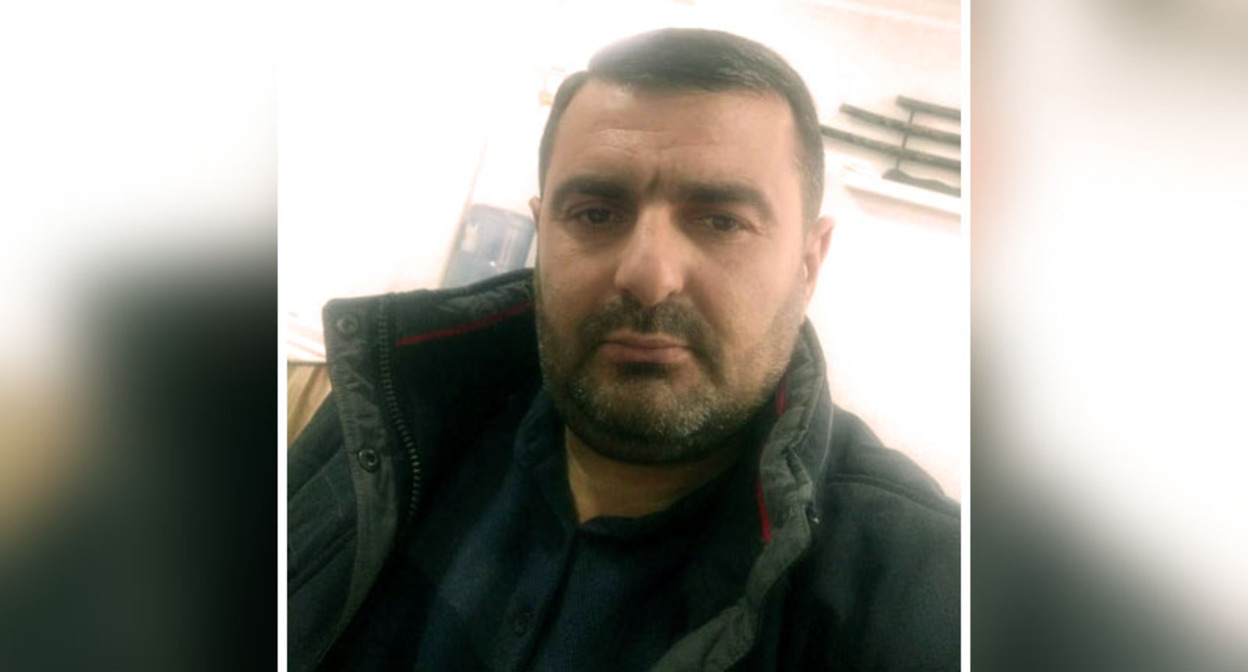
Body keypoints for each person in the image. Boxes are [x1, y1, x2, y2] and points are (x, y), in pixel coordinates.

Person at [288, 28, 960, 671]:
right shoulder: (387, 418)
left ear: (808, 264)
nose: (648, 275)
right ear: (543, 231)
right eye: (595, 213)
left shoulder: (923, 591)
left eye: (721, 221)